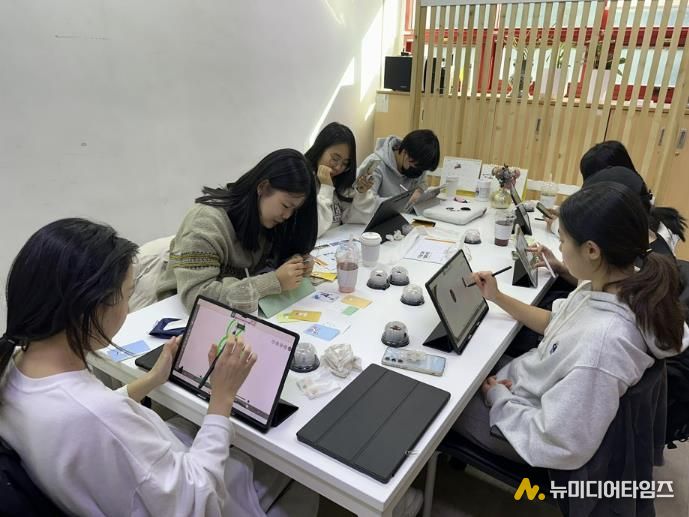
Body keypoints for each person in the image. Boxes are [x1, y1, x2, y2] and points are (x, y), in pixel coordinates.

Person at [0, 218, 319, 516]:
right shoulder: (95, 416)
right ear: (91, 307)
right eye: (127, 295)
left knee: (195, 427)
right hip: (193, 496)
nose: (128, 308)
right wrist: (222, 397)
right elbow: (197, 501)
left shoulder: (15, 363)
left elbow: (90, 414)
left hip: (118, 481)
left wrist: (152, 379)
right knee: (299, 473)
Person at [454, 183, 688, 469]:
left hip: (530, 430)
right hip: (530, 390)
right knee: (465, 361)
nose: (560, 248)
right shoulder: (617, 285)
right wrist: (497, 296)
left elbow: (558, 443)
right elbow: (557, 323)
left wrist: (499, 399)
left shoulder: (603, 344)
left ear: (591, 250)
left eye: (563, 240)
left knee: (441, 405)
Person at [156, 149, 318, 311]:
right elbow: (197, 297)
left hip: (234, 310)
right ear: (263, 187)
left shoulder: (265, 221)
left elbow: (266, 265)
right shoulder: (205, 222)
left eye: (294, 210)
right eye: (286, 205)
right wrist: (273, 282)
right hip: (177, 311)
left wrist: (295, 266)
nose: (287, 215)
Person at [304, 122, 377, 236]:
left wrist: (361, 194)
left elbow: (357, 221)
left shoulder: (340, 180)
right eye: (335, 159)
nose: (338, 168)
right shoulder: (302, 180)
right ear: (319, 150)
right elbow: (312, 230)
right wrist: (326, 188)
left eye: (345, 163)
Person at [356, 129, 440, 208]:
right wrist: (401, 201)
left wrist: (420, 191)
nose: (419, 172)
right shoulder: (375, 164)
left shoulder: (418, 163)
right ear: (405, 152)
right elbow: (365, 202)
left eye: (423, 169)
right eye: (416, 167)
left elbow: (422, 184)